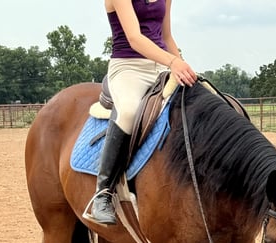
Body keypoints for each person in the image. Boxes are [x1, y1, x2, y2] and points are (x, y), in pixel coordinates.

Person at [84, 0, 198, 225]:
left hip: (162, 66)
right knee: (128, 112)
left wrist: (183, 66)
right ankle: (103, 192)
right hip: (128, 67)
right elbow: (134, 38)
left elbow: (166, 37)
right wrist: (173, 61)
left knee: (201, 104)